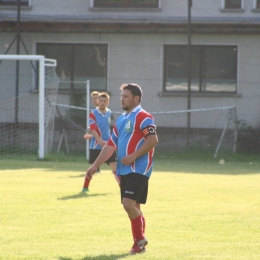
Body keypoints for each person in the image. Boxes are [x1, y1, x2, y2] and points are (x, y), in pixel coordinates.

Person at [85, 83, 158, 254]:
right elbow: (111, 145)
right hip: (124, 169)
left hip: (140, 168)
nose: (122, 99)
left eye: (126, 96)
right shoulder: (121, 119)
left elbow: (153, 140)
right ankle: (139, 244)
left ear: (136, 98)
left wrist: (133, 156)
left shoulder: (144, 116)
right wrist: (95, 165)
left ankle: (140, 239)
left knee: (128, 204)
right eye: (122, 96)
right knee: (135, 208)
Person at [82, 92, 120, 192]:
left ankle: (122, 188)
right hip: (96, 145)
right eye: (101, 101)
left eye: (104, 101)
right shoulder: (93, 113)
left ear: (108, 102)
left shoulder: (108, 112)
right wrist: (99, 140)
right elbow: (93, 128)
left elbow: (104, 129)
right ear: (97, 101)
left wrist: (109, 141)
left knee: (115, 166)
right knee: (93, 168)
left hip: (108, 144)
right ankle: (85, 187)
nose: (102, 103)